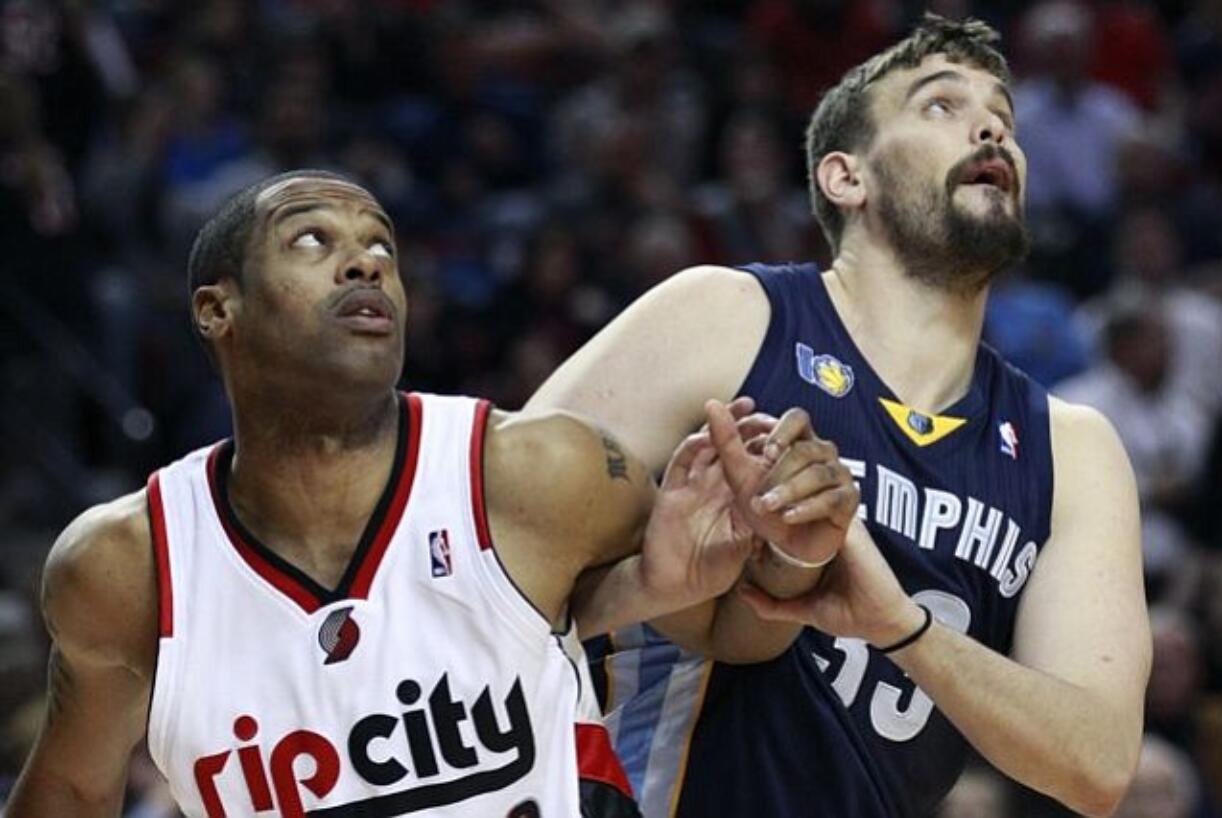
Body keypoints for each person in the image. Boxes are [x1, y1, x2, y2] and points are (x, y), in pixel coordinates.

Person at [6, 170, 856, 817]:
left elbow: (735, 634)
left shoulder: (532, 474)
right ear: (215, 309)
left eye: (383, 248)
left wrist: (786, 546)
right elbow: (71, 794)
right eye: (312, 241)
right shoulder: (126, 566)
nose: (364, 262)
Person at [527, 14, 1150, 818]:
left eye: (1002, 115)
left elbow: (1097, 764)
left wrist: (902, 630)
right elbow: (494, 536)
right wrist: (650, 581)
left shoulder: (1071, 448)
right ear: (844, 178)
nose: (991, 125)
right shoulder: (726, 315)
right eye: (939, 106)